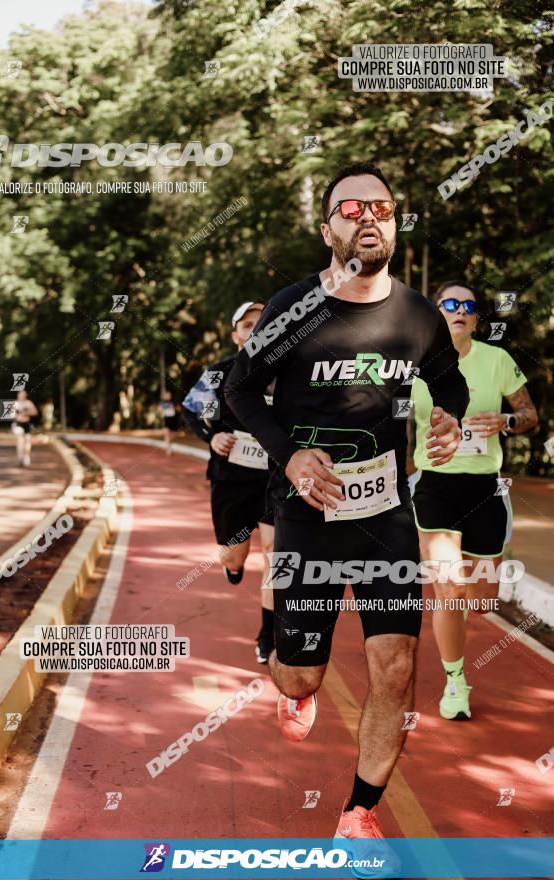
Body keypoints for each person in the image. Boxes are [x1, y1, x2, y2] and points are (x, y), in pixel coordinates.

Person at [225, 162, 468, 859]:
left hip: (385, 515)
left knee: (394, 668)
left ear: (394, 223)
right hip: (306, 512)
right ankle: (289, 674)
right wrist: (289, 456)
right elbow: (241, 392)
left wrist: (446, 418)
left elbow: (444, 380)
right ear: (327, 225)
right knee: (301, 672)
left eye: (382, 208)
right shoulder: (294, 308)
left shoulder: (417, 314)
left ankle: (358, 812)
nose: (368, 217)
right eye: (351, 207)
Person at [409, 281, 537, 720]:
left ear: (477, 319)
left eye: (468, 306)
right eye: (450, 303)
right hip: (434, 485)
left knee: (480, 601)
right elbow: (386, 416)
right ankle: (455, 681)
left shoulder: (497, 360)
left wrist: (505, 419)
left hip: (484, 488)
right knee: (449, 588)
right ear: (435, 313)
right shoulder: (413, 362)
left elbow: (530, 416)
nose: (459, 310)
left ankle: (458, 623)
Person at [183, 302, 276, 663]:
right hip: (231, 478)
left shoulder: (287, 373)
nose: (255, 330)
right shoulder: (219, 374)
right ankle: (233, 566)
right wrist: (212, 438)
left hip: (275, 478)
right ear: (235, 334)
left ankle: (268, 634)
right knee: (235, 552)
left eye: (263, 323)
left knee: (276, 554)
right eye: (247, 325)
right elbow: (193, 409)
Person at [12, 389, 38, 467]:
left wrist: (26, 413)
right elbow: (12, 414)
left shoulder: (29, 403)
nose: (21, 396)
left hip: (27, 424)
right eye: (20, 395)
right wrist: (17, 415)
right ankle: (20, 458)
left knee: (28, 442)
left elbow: (35, 412)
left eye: (23, 395)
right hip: (18, 424)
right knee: (20, 442)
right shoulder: (15, 404)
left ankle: (27, 457)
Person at [160, 390, 179, 455]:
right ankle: (168, 449)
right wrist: (161, 409)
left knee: (173, 435)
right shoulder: (162, 402)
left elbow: (179, 409)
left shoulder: (174, 402)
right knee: (167, 433)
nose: (168, 396)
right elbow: (159, 410)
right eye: (166, 394)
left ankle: (169, 443)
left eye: (169, 394)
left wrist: (175, 408)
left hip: (173, 420)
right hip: (166, 420)